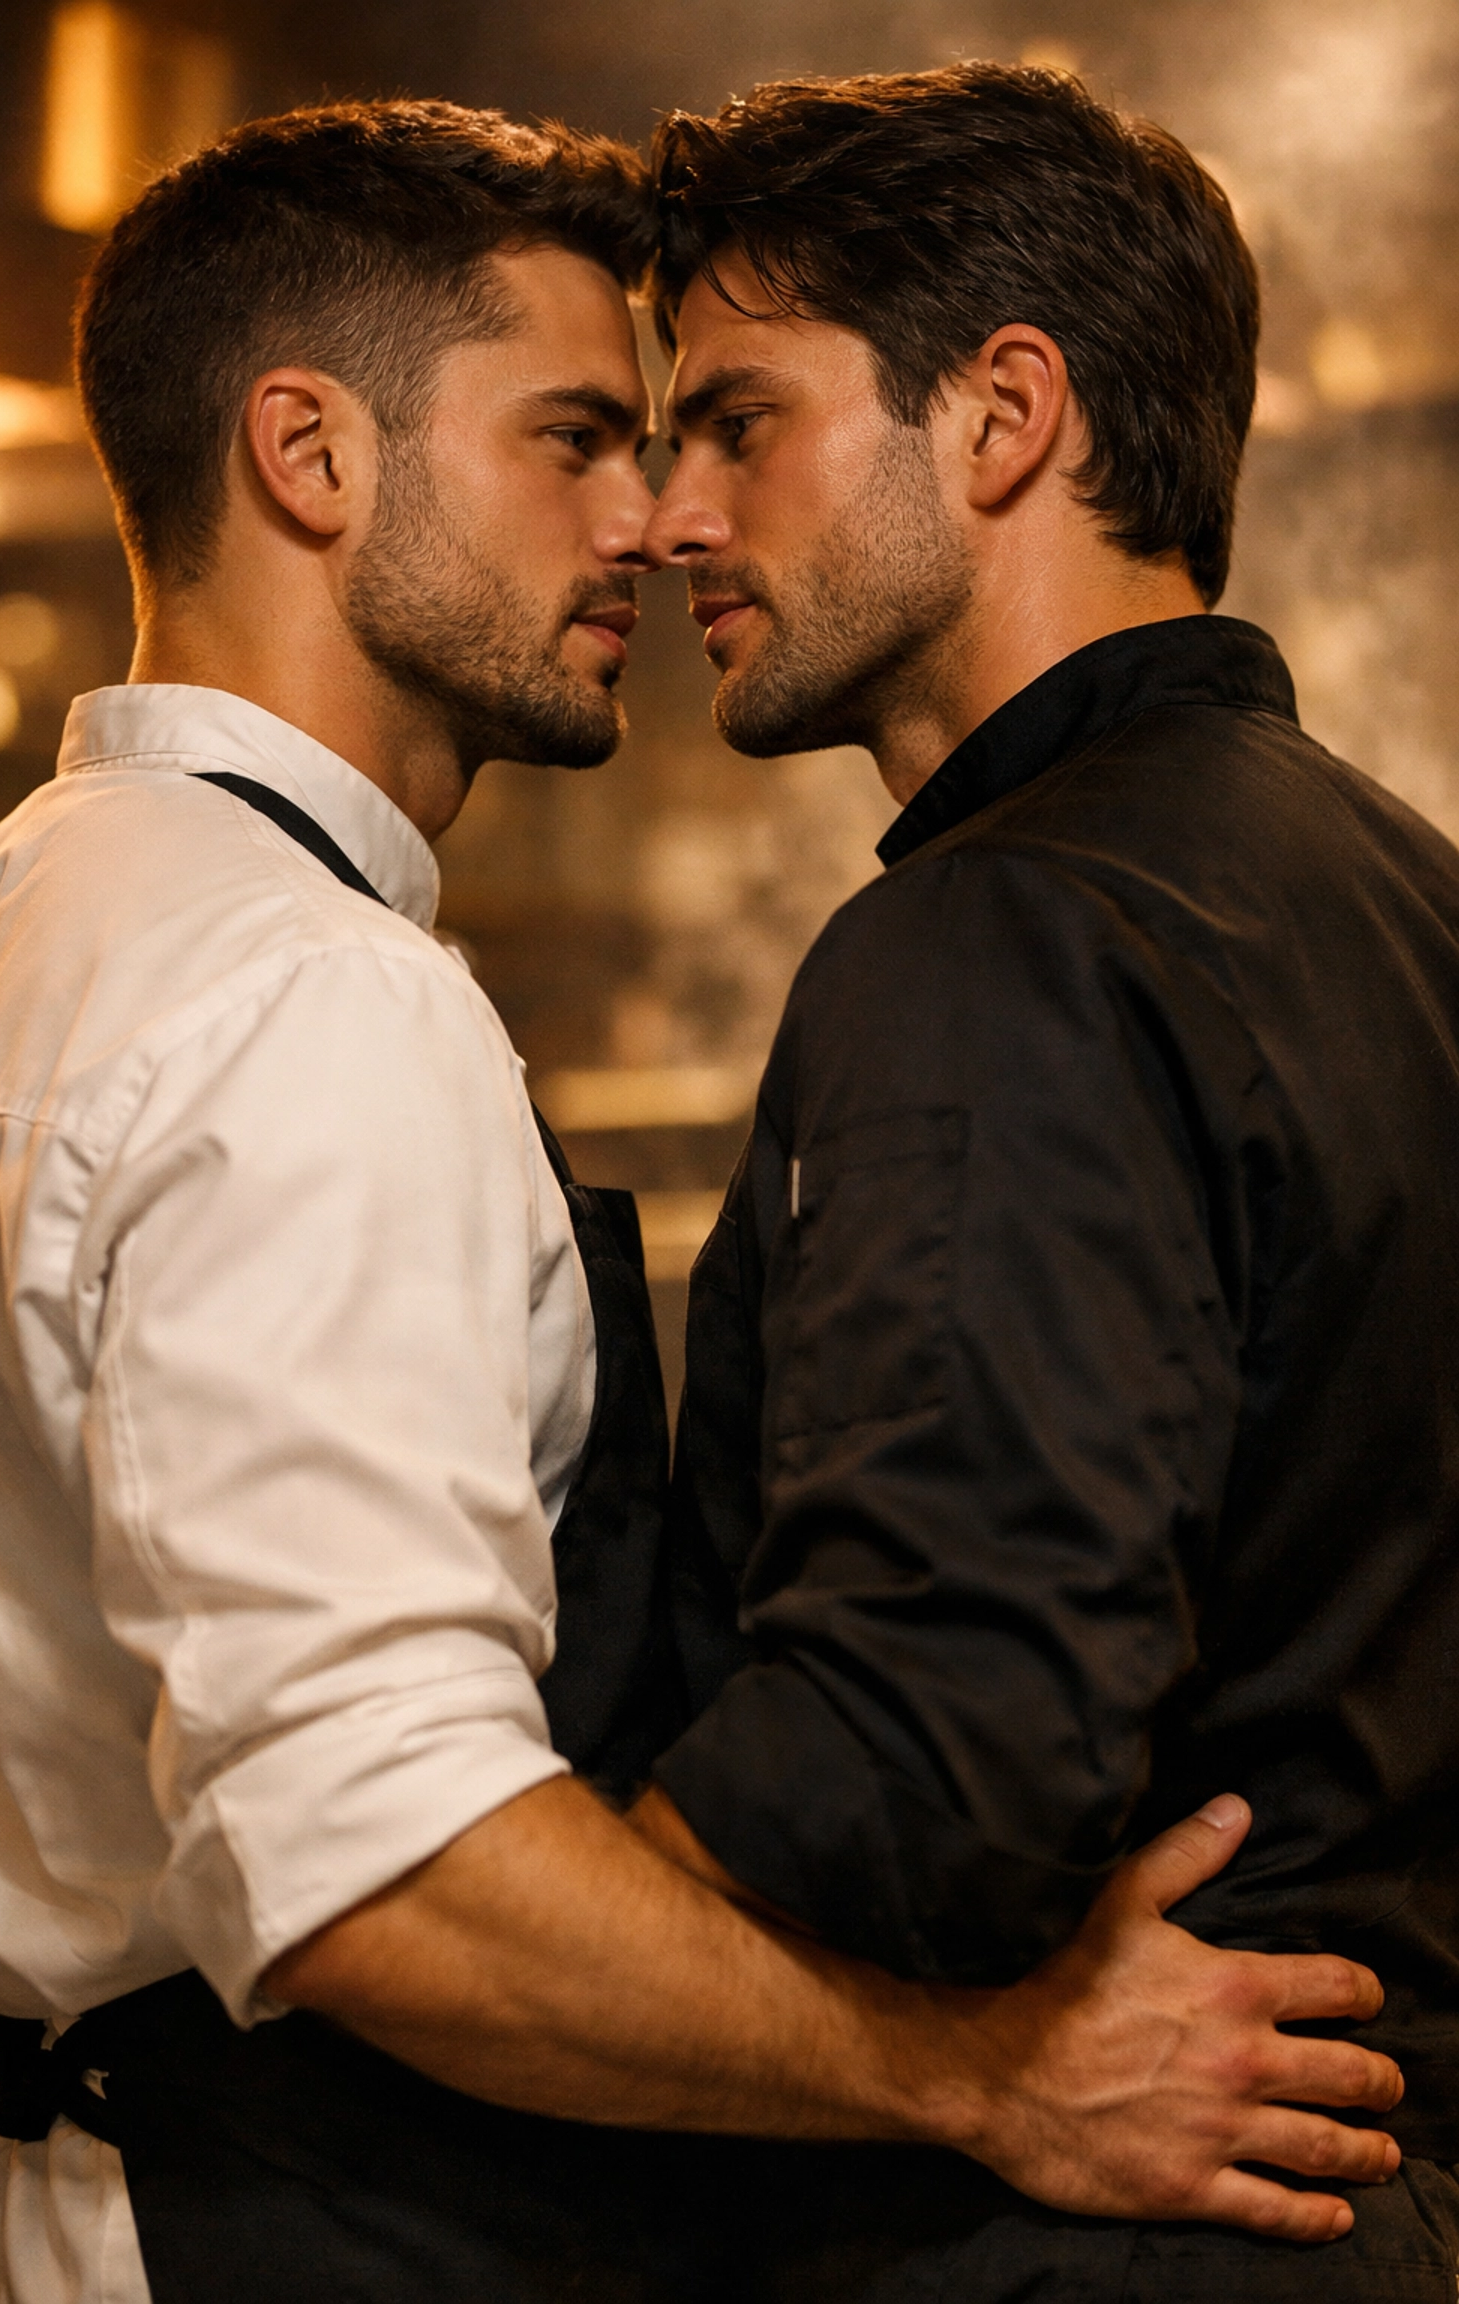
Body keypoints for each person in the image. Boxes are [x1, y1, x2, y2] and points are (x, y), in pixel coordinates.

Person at [0, 93, 1403, 2304]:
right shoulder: (303, 990)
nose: (652, 521)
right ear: (309, 459)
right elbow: (384, 1872)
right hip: (290, 2228)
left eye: (701, 427)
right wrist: (975, 2070)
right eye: (579, 437)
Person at [635, 62, 1459, 2300]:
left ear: (1003, 414)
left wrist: (536, 1926)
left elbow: (933, 1749)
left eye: (737, 424)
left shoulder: (1011, 931)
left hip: (1085, 2233)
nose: (671, 521)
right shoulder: (1408, 895)